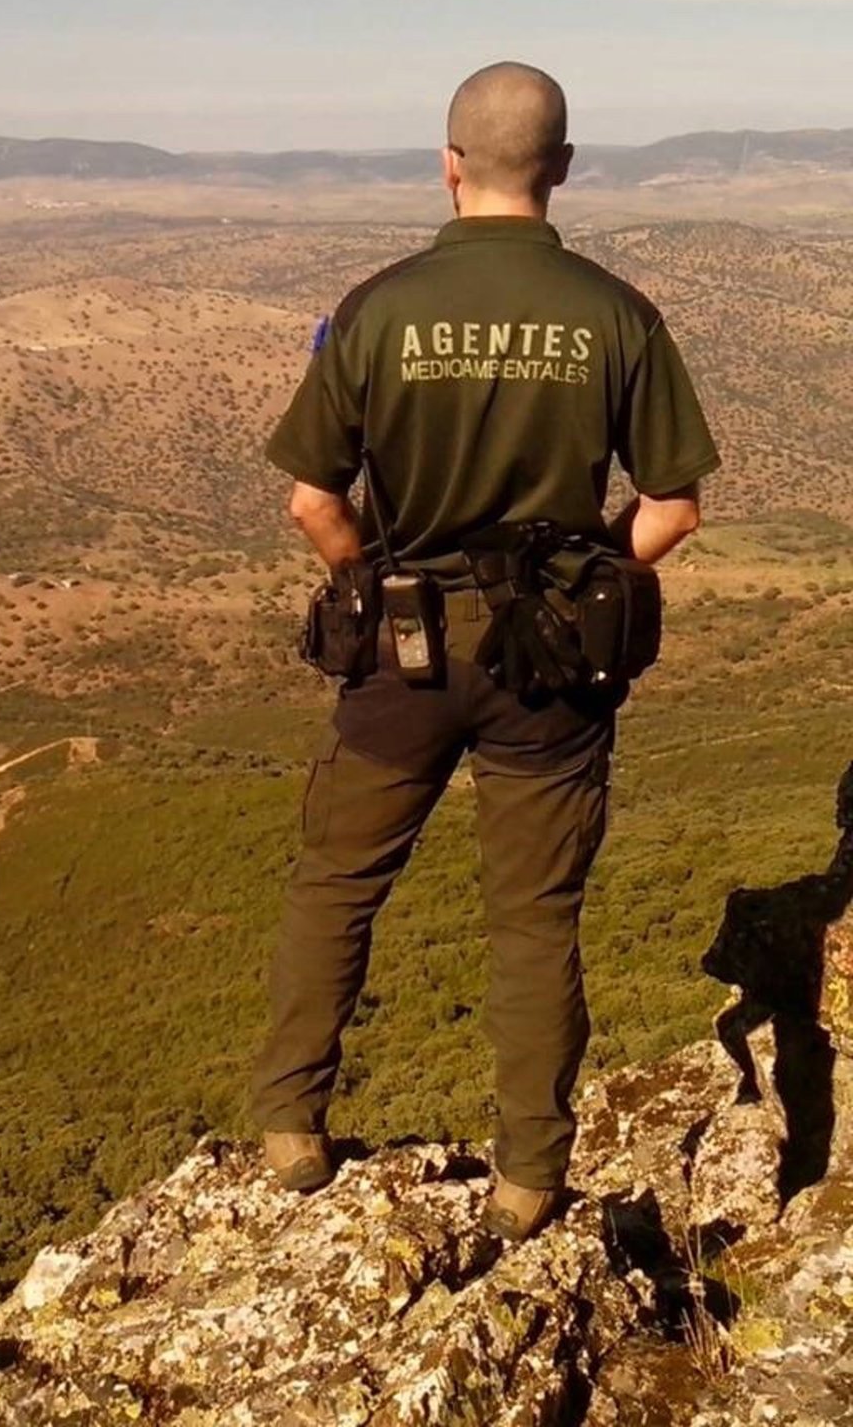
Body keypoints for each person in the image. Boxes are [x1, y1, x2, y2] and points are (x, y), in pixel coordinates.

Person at [249, 62, 720, 1241]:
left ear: (448, 161)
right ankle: (526, 1179)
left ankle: (294, 1129)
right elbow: (672, 508)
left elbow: (314, 498)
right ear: (561, 167)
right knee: (534, 917)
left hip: (401, 651)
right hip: (552, 661)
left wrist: (366, 579)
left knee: (339, 882)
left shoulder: (379, 308)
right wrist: (589, 568)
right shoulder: (617, 314)